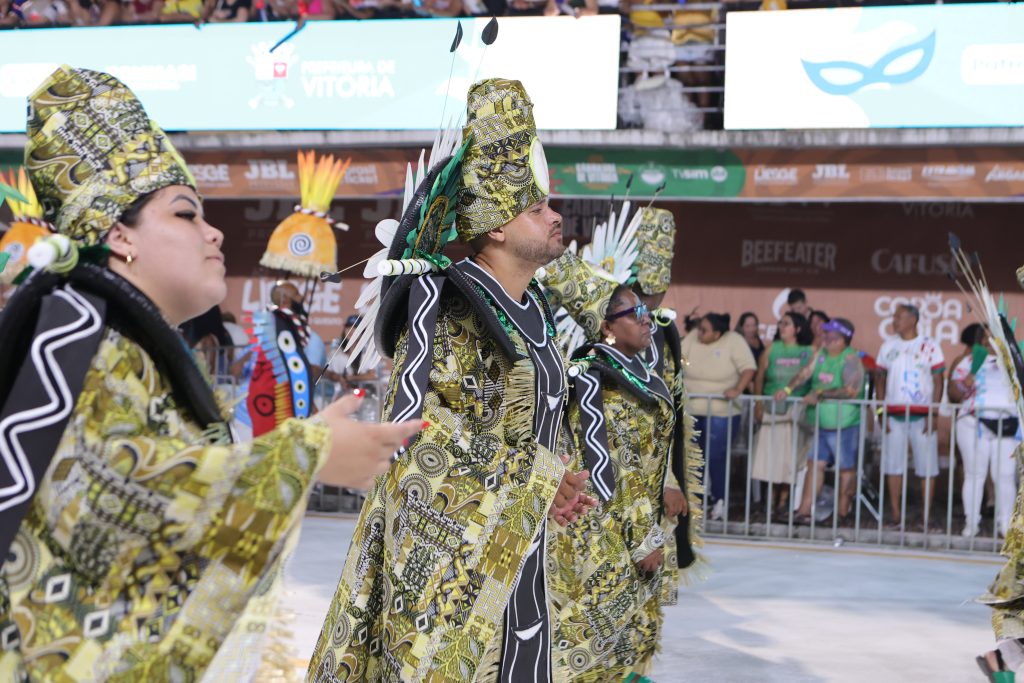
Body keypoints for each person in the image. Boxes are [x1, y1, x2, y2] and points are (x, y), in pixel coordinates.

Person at [0, 66, 422, 682]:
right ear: (121, 237)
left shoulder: (120, 336)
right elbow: (123, 498)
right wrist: (307, 455)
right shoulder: (77, 330)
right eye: (186, 214)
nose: (213, 230)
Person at [307, 78, 595, 683]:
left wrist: (555, 480)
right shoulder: (444, 301)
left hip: (524, 551)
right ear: (495, 226)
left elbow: (528, 434)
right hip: (449, 563)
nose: (556, 215)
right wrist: (541, 481)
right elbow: (420, 439)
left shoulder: (538, 306)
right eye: (537, 208)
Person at [551, 285, 678, 681]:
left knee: (628, 636)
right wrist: (645, 538)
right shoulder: (599, 380)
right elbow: (620, 467)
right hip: (603, 527)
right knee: (591, 637)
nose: (645, 317)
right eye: (633, 311)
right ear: (606, 327)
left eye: (645, 308)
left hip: (627, 520)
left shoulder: (632, 372)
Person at [782, 318, 865, 525]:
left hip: (844, 424)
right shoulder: (820, 354)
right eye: (826, 334)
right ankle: (804, 511)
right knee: (815, 464)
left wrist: (820, 393)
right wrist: (787, 389)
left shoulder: (851, 359)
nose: (826, 338)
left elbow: (851, 391)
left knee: (846, 469)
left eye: (831, 336)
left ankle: (842, 514)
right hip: (822, 423)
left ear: (842, 340)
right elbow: (804, 373)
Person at [681, 311, 756, 521]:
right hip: (692, 410)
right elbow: (677, 361)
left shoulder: (734, 341)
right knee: (692, 458)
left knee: (715, 456)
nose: (699, 333)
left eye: (704, 330)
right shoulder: (692, 338)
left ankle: (719, 500)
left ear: (717, 334)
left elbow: (749, 368)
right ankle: (692, 502)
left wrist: (738, 389)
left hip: (722, 411)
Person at [877, 303, 945, 529]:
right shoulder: (888, 347)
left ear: (913, 320)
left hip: (922, 415)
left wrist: (934, 413)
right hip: (894, 414)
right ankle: (896, 515)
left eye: (899, 317)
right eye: (893, 317)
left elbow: (938, 380)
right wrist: (880, 411)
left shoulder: (930, 346)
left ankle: (926, 518)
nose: (894, 321)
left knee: (926, 467)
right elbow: (880, 379)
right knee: (893, 465)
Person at [949, 330, 1020, 538]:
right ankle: (971, 524)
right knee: (974, 474)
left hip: (1007, 426)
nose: (994, 340)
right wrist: (968, 380)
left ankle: (1005, 524)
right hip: (973, 424)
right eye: (989, 336)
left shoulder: (1016, 361)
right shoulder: (969, 361)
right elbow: (954, 393)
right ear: (982, 340)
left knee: (1006, 476)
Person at [751, 311, 814, 516]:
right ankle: (769, 501)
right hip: (771, 409)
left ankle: (784, 501)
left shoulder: (809, 351)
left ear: (798, 329)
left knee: (790, 457)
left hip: (795, 412)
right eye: (780, 323)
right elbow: (759, 377)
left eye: (786, 324)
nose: (781, 327)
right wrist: (759, 404)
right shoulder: (771, 349)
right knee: (769, 457)